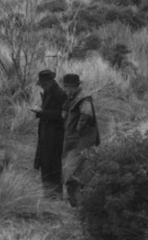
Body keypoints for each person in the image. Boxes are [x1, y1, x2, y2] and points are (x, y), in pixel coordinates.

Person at [61, 73, 99, 207]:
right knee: (77, 172)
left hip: (80, 142)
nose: (65, 90)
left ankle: (78, 202)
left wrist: (78, 129)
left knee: (69, 172)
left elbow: (87, 115)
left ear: (72, 87)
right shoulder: (73, 98)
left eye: (66, 87)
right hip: (74, 141)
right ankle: (78, 202)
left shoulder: (83, 99)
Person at [32, 69, 67, 199]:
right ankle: (47, 194)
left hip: (55, 135)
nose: (42, 86)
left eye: (43, 84)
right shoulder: (48, 92)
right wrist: (41, 112)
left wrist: (42, 112)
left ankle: (55, 195)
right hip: (46, 133)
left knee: (54, 165)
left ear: (51, 82)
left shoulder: (60, 94)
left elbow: (63, 115)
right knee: (45, 163)